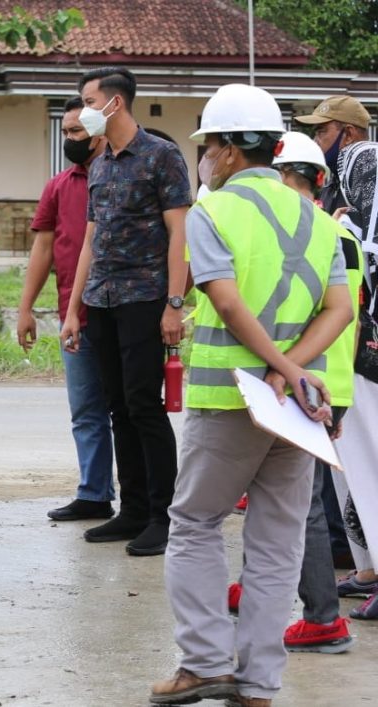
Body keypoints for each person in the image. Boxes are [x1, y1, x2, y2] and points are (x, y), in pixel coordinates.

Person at [150, 84, 353, 707]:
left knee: (192, 524)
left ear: (234, 149)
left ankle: (206, 661)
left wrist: (275, 368)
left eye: (208, 144)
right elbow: (341, 309)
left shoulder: (213, 210)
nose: (204, 156)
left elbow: (227, 300)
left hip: (231, 400)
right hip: (296, 409)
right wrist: (293, 370)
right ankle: (260, 683)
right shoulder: (318, 222)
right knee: (276, 544)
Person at [227, 130, 361, 654]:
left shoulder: (314, 234)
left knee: (297, 503)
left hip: (310, 380)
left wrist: (285, 372)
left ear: (282, 177)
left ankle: (324, 617)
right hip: (322, 378)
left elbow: (327, 315)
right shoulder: (329, 232)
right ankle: (259, 585)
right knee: (272, 492)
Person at [60, 66, 191, 556]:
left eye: (89, 100)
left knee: (144, 406)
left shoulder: (162, 156)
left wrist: (175, 304)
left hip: (145, 298)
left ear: (114, 103)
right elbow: (91, 240)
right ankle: (132, 510)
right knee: (117, 407)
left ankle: (164, 514)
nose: (83, 109)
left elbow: (180, 232)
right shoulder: (100, 164)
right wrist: (74, 309)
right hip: (103, 299)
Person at [17, 96, 114, 522]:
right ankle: (94, 494)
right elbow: (43, 250)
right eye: (66, 133)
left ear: (98, 133)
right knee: (86, 411)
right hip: (73, 316)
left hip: (125, 313)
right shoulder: (59, 186)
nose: (70, 140)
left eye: (77, 132)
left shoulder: (124, 178)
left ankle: (146, 499)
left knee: (131, 411)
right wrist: (26, 309)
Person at [294, 95, 372, 567]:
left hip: (350, 356)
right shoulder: (335, 196)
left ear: (348, 133)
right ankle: (353, 555)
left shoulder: (363, 185)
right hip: (337, 360)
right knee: (338, 474)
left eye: (323, 132)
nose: (318, 141)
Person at [332, 140, 378, 621]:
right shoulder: (352, 230)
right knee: (354, 471)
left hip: (367, 363)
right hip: (357, 363)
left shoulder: (351, 234)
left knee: (369, 467)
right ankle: (367, 569)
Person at [294, 95, 372, 214]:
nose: (315, 141)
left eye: (321, 131)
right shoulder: (330, 188)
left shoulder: (371, 188)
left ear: (349, 134)